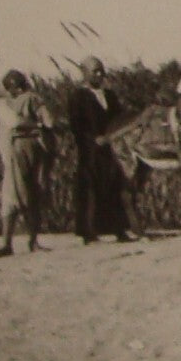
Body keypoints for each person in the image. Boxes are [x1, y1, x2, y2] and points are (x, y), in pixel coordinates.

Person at [66, 56, 134, 245]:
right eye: (95, 71)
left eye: (101, 70)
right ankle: (89, 233)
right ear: (84, 72)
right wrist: (92, 140)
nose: (99, 74)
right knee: (90, 190)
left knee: (114, 185)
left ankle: (120, 230)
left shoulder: (109, 95)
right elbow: (76, 125)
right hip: (90, 151)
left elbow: (119, 118)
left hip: (111, 146)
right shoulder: (78, 96)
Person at [0, 69, 57, 258]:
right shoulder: (34, 98)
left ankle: (8, 243)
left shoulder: (4, 103)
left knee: (13, 194)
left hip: (18, 147)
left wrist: (32, 124)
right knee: (32, 191)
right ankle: (32, 241)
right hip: (35, 146)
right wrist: (38, 125)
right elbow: (50, 122)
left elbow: (14, 123)